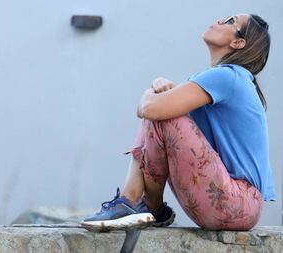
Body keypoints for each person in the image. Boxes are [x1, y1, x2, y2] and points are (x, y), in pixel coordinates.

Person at [81, 13, 275, 232]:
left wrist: (152, 89)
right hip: (235, 205)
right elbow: (158, 114)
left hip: (235, 201)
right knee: (162, 115)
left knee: (162, 115)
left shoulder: (228, 76)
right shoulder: (226, 79)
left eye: (231, 21)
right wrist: (158, 85)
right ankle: (143, 205)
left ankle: (134, 201)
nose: (220, 20)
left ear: (238, 43)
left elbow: (149, 108)